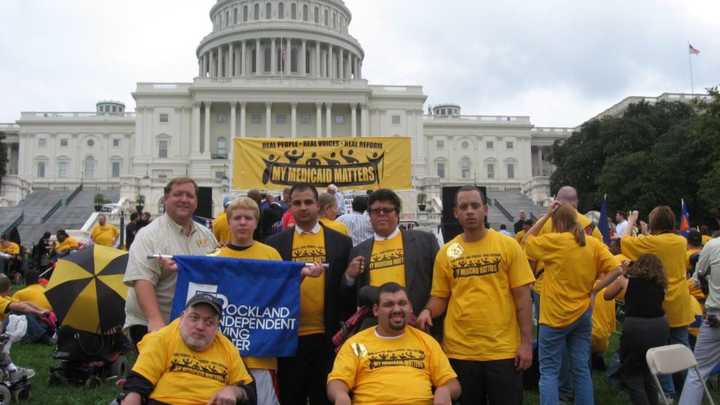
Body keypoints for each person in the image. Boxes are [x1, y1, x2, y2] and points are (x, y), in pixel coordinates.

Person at [417, 186, 535, 405]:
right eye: (463, 207)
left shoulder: (508, 246)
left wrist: (527, 343)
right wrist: (427, 310)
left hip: (503, 350)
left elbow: (523, 298)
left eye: (475, 206)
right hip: (460, 351)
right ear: (455, 213)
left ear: (485, 210)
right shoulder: (448, 252)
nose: (470, 211)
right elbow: (440, 297)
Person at [212, 196, 323, 405]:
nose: (243, 222)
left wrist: (302, 275)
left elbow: (281, 292)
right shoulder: (215, 257)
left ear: (256, 222)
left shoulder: (270, 254)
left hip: (261, 354)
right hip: (222, 354)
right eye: (237, 218)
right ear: (229, 221)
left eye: (248, 218)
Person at [523, 202, 623, 405]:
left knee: (549, 371)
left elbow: (526, 241)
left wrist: (545, 217)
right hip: (583, 312)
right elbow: (617, 269)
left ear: (557, 222)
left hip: (554, 317)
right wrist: (595, 288)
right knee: (581, 369)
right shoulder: (592, 244)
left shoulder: (554, 241)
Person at [266, 184, 353, 405]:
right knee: (290, 396)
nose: (303, 207)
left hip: (327, 337)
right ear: (289, 206)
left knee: (323, 397)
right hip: (289, 338)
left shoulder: (341, 242)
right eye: (297, 203)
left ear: (318, 205)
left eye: (308, 202)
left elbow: (345, 289)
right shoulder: (275, 244)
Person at [327, 282, 461, 405]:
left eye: (402, 303)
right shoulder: (358, 344)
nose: (397, 309)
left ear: (410, 308)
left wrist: (445, 390)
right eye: (389, 304)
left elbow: (452, 383)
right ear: (376, 310)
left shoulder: (426, 342)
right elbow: (338, 380)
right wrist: (340, 395)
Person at [123, 177, 219, 347]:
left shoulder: (207, 236)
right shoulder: (148, 235)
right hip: (152, 322)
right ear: (166, 198)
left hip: (191, 325)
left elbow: (215, 274)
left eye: (189, 196)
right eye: (178, 194)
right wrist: (156, 323)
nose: (184, 200)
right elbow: (142, 280)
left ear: (196, 202)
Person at [120, 293, 256, 405]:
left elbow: (249, 391)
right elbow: (139, 381)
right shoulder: (163, 337)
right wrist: (132, 397)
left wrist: (233, 391)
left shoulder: (227, 347)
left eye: (209, 322)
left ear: (217, 327)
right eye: (194, 318)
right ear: (182, 317)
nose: (200, 326)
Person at [621, 207, 694, 399]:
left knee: (661, 352)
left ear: (654, 223)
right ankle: (689, 393)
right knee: (683, 348)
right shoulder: (681, 240)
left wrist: (631, 221)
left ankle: (667, 393)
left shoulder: (653, 242)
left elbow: (625, 242)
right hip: (681, 302)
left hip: (660, 303)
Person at [343, 189, 439, 331]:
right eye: (376, 211)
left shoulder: (424, 242)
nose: (381, 214)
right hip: (375, 328)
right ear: (369, 216)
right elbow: (347, 297)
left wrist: (429, 311)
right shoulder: (359, 250)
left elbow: (440, 285)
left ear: (397, 214)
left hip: (416, 324)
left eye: (387, 210)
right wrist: (349, 276)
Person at [604, 254, 668, 405]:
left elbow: (607, 295)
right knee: (649, 372)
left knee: (632, 374)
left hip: (636, 327)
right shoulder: (661, 285)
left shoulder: (626, 280)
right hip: (659, 326)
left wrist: (624, 271)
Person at [679, 236, 720, 405]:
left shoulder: (713, 245)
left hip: (714, 318)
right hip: (714, 318)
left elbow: (696, 279)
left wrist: (673, 290)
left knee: (697, 373)